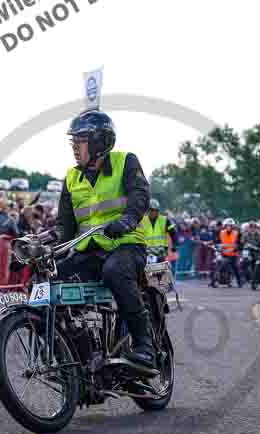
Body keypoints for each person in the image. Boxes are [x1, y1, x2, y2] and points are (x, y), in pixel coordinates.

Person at [53, 109, 157, 376]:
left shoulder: (125, 162)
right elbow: (64, 226)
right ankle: (72, 357)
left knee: (115, 272)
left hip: (126, 244)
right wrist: (40, 249)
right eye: (73, 141)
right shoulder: (72, 177)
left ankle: (144, 345)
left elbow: (139, 195)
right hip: (90, 250)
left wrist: (128, 219)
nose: (75, 147)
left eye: (81, 140)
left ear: (100, 142)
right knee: (50, 281)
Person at [210, 218, 243, 287]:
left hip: (233, 254)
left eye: (230, 225)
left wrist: (235, 249)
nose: (228, 227)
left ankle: (239, 282)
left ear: (233, 226)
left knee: (236, 268)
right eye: (227, 225)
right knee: (218, 265)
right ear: (225, 226)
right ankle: (213, 281)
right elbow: (217, 242)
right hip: (223, 254)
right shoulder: (221, 233)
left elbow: (240, 245)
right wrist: (217, 247)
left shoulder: (237, 233)